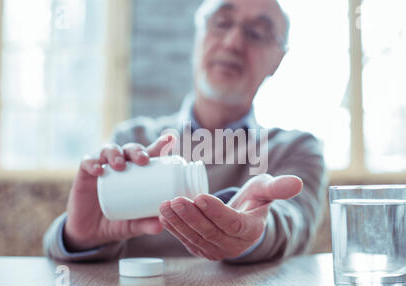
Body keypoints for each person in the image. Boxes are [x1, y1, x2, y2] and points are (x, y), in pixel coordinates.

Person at [43, 0, 327, 264]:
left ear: (278, 60)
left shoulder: (295, 148)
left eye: (256, 33)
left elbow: (294, 222)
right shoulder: (134, 141)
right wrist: (79, 237)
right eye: (221, 23)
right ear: (198, 36)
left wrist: (254, 232)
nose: (233, 42)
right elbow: (58, 256)